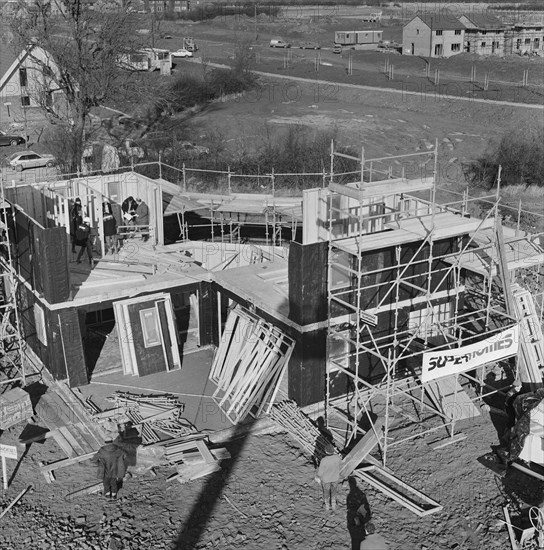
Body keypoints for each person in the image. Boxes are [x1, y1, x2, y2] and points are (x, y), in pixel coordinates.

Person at [315, 441, 342, 511]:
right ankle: (333, 505)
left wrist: (318, 477)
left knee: (326, 491)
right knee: (334, 491)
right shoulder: (337, 457)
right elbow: (339, 465)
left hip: (326, 479)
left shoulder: (324, 460)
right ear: (333, 451)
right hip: (335, 478)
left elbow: (320, 472)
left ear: (326, 451)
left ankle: (327, 506)